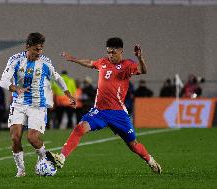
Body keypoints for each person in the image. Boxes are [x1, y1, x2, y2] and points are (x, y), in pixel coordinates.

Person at [46, 37, 162, 174]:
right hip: (99, 112)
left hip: (118, 114)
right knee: (79, 128)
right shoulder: (102, 62)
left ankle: (150, 160)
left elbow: (143, 70)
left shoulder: (127, 65)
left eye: (113, 52)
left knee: (133, 145)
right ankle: (61, 158)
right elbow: (89, 63)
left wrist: (140, 57)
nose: (110, 55)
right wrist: (74, 59)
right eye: (108, 52)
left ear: (121, 51)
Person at [0, 32, 76, 177]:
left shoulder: (45, 62)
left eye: (41, 49)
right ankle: (21, 170)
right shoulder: (15, 60)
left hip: (37, 105)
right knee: (15, 138)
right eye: (36, 49)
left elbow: (57, 77)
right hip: (19, 103)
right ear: (28, 47)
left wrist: (68, 93)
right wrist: (16, 88)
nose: (39, 52)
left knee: (32, 138)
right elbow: (3, 81)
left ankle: (43, 159)